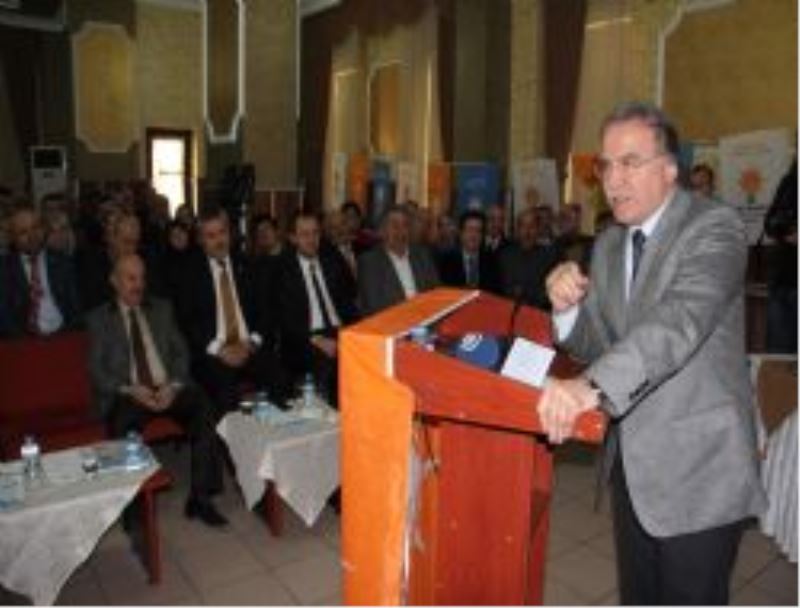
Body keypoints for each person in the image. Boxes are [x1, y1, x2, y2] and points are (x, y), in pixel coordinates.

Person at [540, 101, 766, 605]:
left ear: (669, 170)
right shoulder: (608, 245)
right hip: (633, 466)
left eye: (630, 162)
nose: (613, 179)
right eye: (606, 165)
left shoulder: (715, 226)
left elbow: (680, 321)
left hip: (700, 468)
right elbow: (601, 343)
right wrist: (566, 312)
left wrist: (589, 388)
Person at [87, 254, 227, 527]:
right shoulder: (99, 319)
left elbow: (181, 353)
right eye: (131, 278)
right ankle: (133, 510)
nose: (138, 285)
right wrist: (130, 389)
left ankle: (201, 499)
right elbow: (97, 370)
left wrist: (173, 385)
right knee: (121, 422)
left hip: (167, 388)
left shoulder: (161, 309)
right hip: (131, 393)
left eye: (141, 278)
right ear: (114, 281)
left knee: (203, 407)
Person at [173, 205, 289, 417]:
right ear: (200, 240)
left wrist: (251, 343)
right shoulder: (188, 272)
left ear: (230, 232)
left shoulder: (248, 264)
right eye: (211, 236)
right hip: (213, 352)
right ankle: (230, 439)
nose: (219, 241)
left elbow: (266, 311)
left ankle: (278, 434)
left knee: (280, 378)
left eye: (222, 232)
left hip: (248, 345)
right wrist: (220, 350)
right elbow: (188, 322)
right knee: (224, 392)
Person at [275, 212, 359, 405]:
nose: (311, 240)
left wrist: (354, 332)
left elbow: (348, 302)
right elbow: (286, 319)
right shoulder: (283, 269)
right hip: (304, 337)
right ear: (293, 238)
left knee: (366, 355)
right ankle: (331, 418)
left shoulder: (331, 261)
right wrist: (317, 339)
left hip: (339, 331)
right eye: (304, 234)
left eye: (315, 233)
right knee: (327, 362)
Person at [2, 206, 81, 337]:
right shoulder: (4, 268)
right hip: (22, 340)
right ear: (12, 238)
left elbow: (76, 309)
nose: (32, 236)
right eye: (23, 232)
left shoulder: (63, 263)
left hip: (63, 336)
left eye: (35, 227)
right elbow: (4, 316)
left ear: (44, 229)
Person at [357, 204, 439, 316]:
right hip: (391, 321)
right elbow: (375, 306)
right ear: (382, 231)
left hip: (425, 318)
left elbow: (436, 293)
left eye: (405, 225)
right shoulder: (370, 262)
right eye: (395, 226)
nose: (401, 232)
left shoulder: (422, 256)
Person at [763, 160, 797, 353]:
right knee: (778, 353)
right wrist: (785, 232)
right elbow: (769, 223)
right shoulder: (790, 181)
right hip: (782, 279)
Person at [498, 207, 561, 310]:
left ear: (538, 229)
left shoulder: (548, 256)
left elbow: (549, 289)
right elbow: (502, 287)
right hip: (509, 310)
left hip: (538, 311)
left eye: (532, 226)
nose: (527, 231)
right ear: (517, 229)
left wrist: (529, 297)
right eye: (523, 226)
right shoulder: (505, 255)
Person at [437, 209, 501, 293]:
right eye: (470, 230)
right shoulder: (446, 261)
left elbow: (496, 292)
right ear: (461, 233)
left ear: (483, 235)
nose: (474, 235)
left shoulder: (491, 261)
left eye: (478, 231)